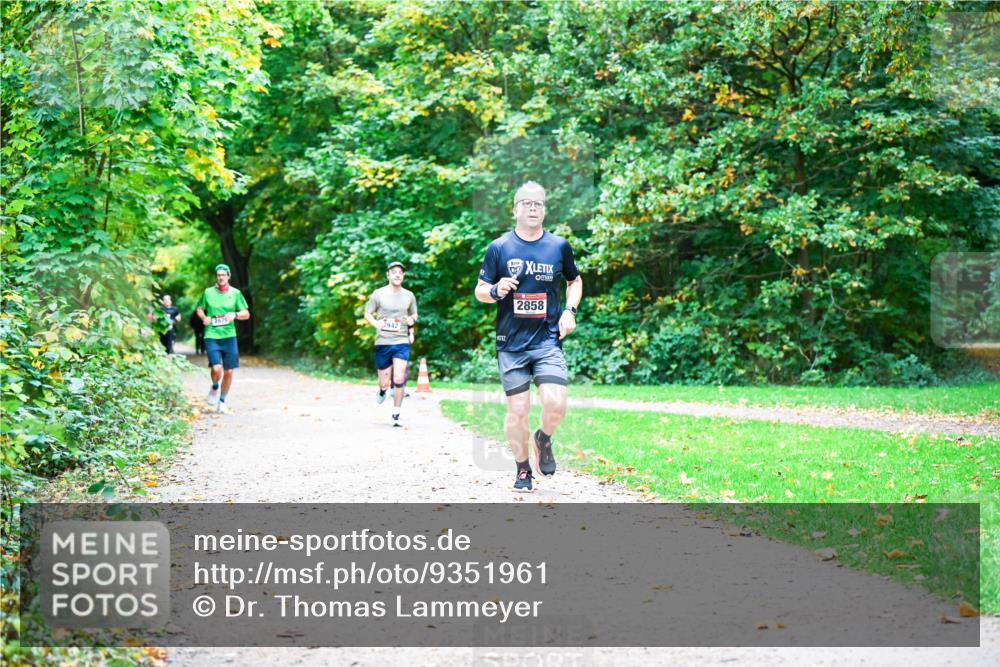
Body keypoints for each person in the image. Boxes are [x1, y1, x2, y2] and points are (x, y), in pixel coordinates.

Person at [475, 181, 583, 492]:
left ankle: (543, 438)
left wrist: (570, 312)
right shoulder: (499, 247)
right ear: (516, 209)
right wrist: (496, 290)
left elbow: (575, 281)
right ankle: (523, 470)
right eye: (526, 203)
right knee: (518, 411)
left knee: (556, 404)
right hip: (511, 344)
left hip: (547, 340)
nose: (532, 208)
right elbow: (480, 291)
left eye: (538, 204)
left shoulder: (558, 246)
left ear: (544, 210)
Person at [364, 261, 418, 427]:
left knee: (399, 377)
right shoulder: (378, 294)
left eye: (400, 272)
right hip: (383, 342)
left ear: (403, 276)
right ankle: (382, 390)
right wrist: (376, 324)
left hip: (401, 341)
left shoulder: (409, 295)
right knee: (385, 382)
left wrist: (411, 327)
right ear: (388, 275)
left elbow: (414, 315)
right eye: (393, 272)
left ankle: (396, 413)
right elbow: (367, 313)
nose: (397, 274)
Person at [196, 264, 250, 414]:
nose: (221, 277)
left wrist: (236, 315)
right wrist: (204, 317)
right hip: (212, 335)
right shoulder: (208, 292)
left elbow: (246, 313)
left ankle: (222, 401)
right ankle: (214, 386)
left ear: (228, 276)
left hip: (229, 336)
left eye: (223, 275)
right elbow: (199, 309)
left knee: (229, 371)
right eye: (218, 275)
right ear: (216, 277)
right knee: (216, 368)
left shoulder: (236, 293)